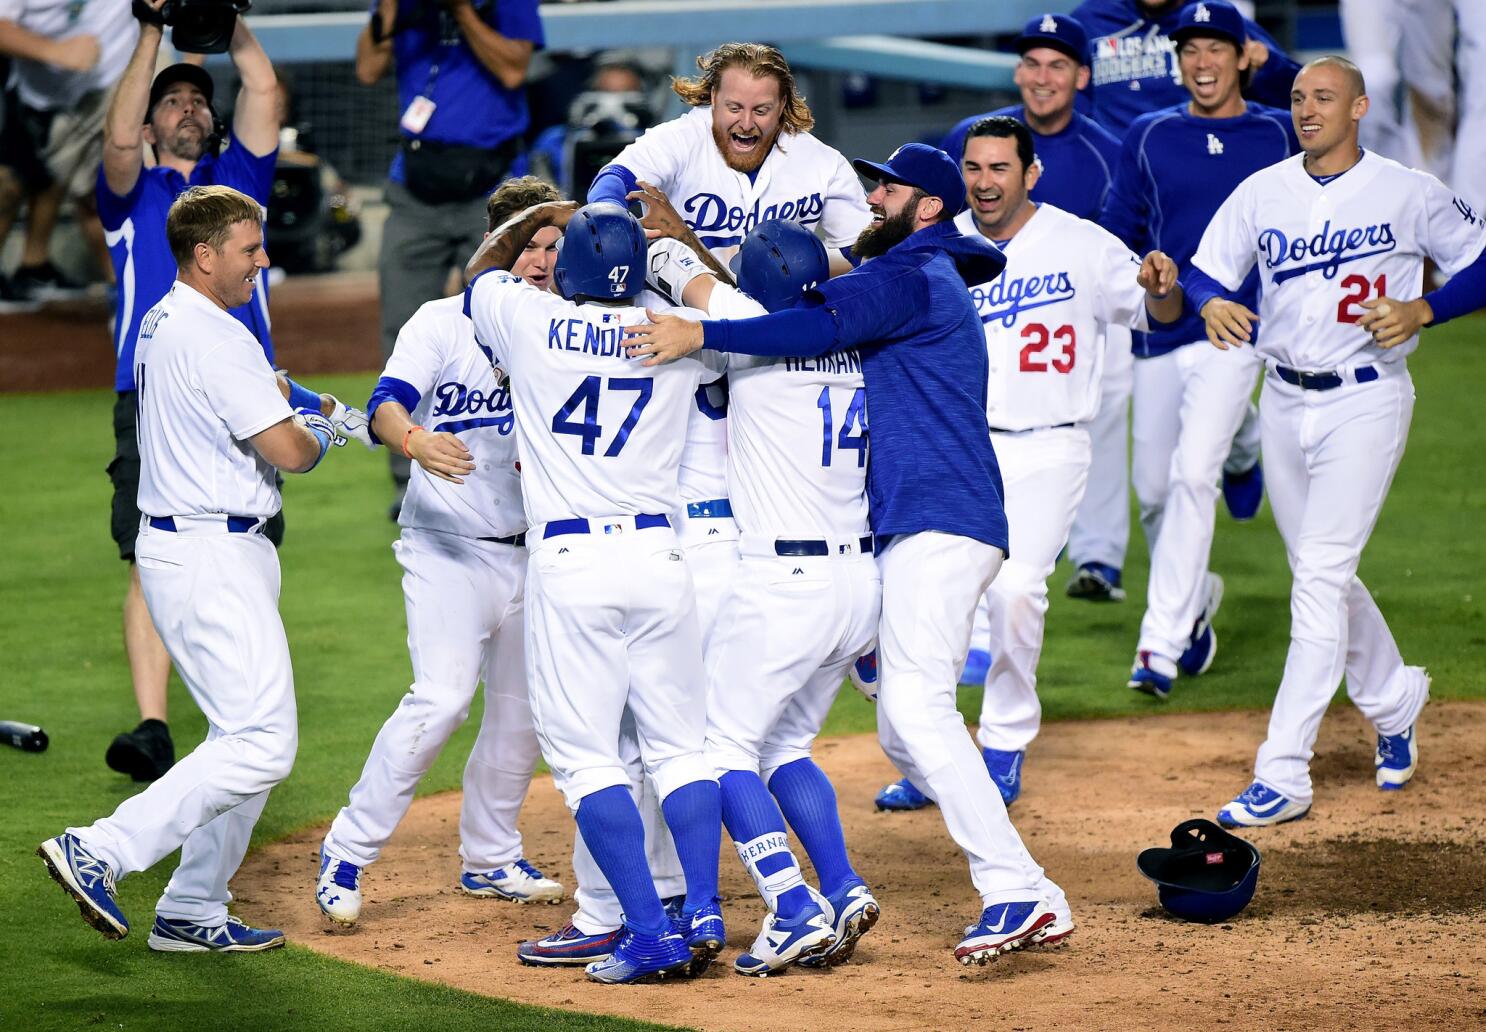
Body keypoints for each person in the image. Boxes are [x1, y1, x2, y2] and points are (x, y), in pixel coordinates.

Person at [625, 143, 1071, 965]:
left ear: (929, 207)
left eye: (890, 187)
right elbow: (801, 300)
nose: (873, 197)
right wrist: (697, 251)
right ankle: (1005, 888)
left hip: (926, 525)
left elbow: (787, 312)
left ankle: (1012, 888)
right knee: (886, 722)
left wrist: (697, 325)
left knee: (912, 714)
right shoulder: (906, 281)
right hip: (886, 548)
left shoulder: (908, 277)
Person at [37, 185, 351, 952]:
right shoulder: (215, 335)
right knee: (262, 743)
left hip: (203, 544)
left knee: (243, 740)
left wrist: (292, 406)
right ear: (204, 254)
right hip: (209, 551)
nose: (263, 261)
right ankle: (101, 848)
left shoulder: (167, 317)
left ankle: (192, 909)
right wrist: (319, 427)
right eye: (250, 250)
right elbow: (289, 452)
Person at [1185, 56, 1486, 826]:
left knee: (1318, 575)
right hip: (1282, 399)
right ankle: (1394, 698)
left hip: (1367, 400)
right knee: (1324, 574)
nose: (1306, 109)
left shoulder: (1405, 189)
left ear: (1357, 108)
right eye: (1296, 99)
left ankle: (1283, 771)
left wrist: (1425, 310)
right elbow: (1204, 273)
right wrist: (1212, 302)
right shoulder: (1264, 190)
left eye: (1323, 98)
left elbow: (1480, 263)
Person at [878, 117, 1183, 814]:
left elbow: (1156, 314)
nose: (985, 182)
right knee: (928, 596)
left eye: (999, 168)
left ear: (1030, 174)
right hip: (956, 442)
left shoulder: (1080, 242)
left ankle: (1005, 741)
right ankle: (933, 757)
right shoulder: (939, 244)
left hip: (1050, 442)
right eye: (974, 169)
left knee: (1015, 589)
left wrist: (1161, 286)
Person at [464, 201, 725, 985]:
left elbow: (480, 272)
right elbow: (725, 309)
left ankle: (645, 932)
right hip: (659, 556)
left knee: (587, 760)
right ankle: (703, 908)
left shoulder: (531, 319)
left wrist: (541, 214)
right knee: (681, 749)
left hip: (574, 564)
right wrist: (674, 245)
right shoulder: (677, 331)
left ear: (567, 266)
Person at [314, 177, 567, 930]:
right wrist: (415, 439)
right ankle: (346, 850)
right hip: (446, 549)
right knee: (443, 698)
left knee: (523, 717)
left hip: (535, 556)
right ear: (495, 247)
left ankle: (491, 858)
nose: (544, 261)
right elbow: (389, 401)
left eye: (556, 246)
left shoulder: (563, 325)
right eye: (531, 246)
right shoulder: (439, 322)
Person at [647, 219, 883, 973]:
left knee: (719, 749)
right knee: (783, 743)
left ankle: (789, 906)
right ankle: (842, 885)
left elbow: (684, 276)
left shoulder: (751, 327)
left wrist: (652, 234)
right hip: (859, 584)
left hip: (787, 584)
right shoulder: (856, 332)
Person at [98, 1, 282, 785]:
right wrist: (149, 26)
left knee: (252, 543)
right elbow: (113, 137)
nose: (188, 108)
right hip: (150, 398)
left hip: (248, 390)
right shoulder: (131, 192)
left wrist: (227, 21)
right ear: (148, 123)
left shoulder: (237, 184)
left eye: (197, 99)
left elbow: (264, 91)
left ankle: (238, 715)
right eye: (171, 100)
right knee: (150, 551)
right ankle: (152, 725)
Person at [1101, 0, 1296, 701]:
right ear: (1178, 61)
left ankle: (1158, 644)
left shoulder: (1280, 134)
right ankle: (1200, 592)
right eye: (1191, 51)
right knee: (1154, 493)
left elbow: (1329, 104)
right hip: (1162, 330)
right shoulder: (1150, 136)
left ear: (1245, 56)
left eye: (1218, 48)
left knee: (1190, 478)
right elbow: (1118, 227)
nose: (1203, 62)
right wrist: (1137, 269)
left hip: (1238, 332)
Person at [355, 0, 544, 519]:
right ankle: (407, 472)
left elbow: (513, 68)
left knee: (507, 326)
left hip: (492, 189)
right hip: (414, 189)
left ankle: (521, 466)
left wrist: (462, 12)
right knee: (401, 331)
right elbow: (368, 67)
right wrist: (391, 11)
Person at [586, 42, 871, 277]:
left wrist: (803, 267)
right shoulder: (681, 138)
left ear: (782, 104)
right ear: (713, 97)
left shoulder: (821, 161)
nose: (746, 123)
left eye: (761, 110)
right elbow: (613, 179)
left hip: (777, 321)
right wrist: (615, 222)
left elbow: (864, 251)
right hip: (681, 316)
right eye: (734, 107)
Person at [0, 0, 136, 302]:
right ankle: (35, 266)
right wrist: (55, 51)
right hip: (43, 94)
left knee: (118, 191)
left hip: (121, 75)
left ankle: (131, 292)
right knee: (19, 182)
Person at [1073, 0, 1300, 136]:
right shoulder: (1091, 20)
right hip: (1116, 174)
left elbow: (1296, 95)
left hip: (1197, 161)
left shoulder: (1211, 16)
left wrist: (1270, 65)